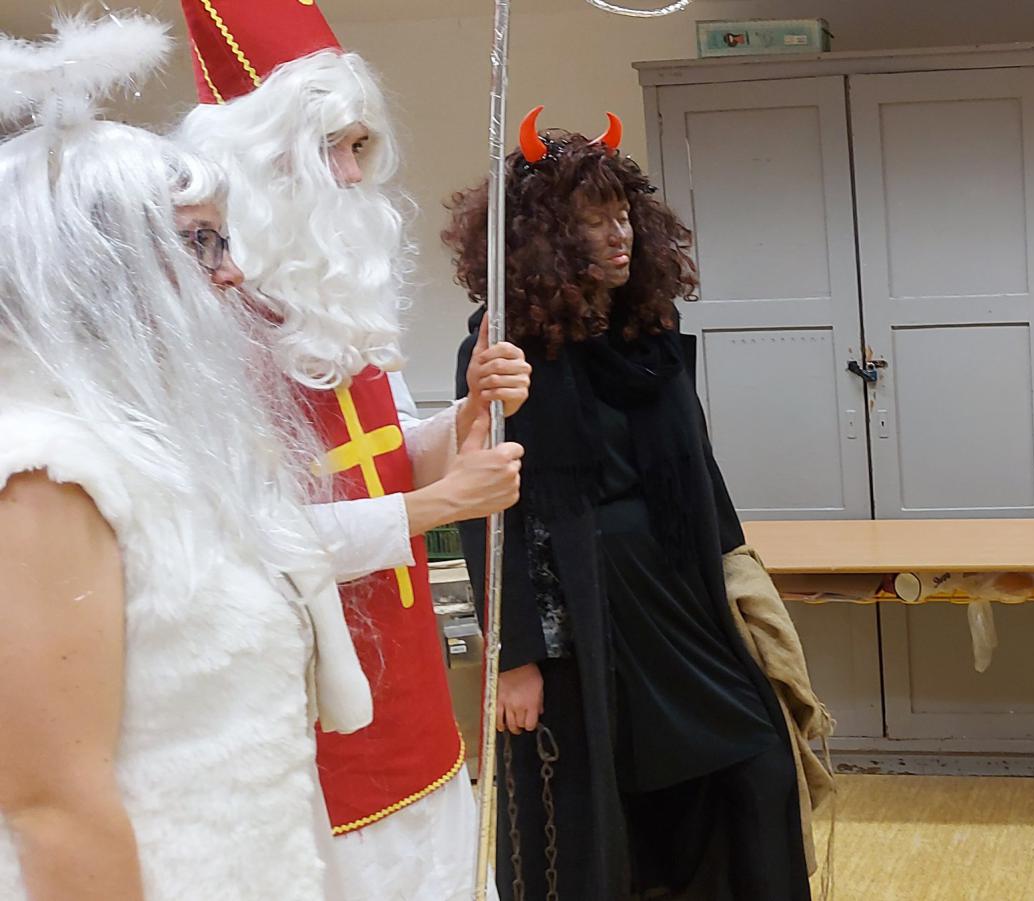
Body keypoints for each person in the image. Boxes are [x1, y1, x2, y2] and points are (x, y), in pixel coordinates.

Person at [0, 14, 370, 900]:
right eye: (200, 241)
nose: (231, 272)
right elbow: (54, 804)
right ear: (96, 265)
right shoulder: (47, 472)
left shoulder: (160, 444)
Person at [173, 3, 529, 897]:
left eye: (359, 146)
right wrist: (438, 506)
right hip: (302, 697)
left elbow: (391, 453)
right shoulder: (202, 326)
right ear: (256, 162)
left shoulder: (337, 299)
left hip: (407, 674)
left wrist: (466, 419)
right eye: (329, 148)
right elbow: (251, 537)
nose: (351, 174)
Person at [440, 113, 833, 900]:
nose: (619, 233)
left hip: (680, 595)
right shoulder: (504, 350)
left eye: (624, 213)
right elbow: (491, 510)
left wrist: (739, 577)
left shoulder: (649, 329)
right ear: (546, 236)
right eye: (595, 219)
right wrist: (513, 657)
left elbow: (698, 469)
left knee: (757, 768)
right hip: (585, 610)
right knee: (611, 813)